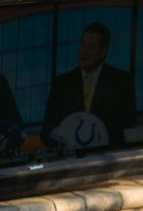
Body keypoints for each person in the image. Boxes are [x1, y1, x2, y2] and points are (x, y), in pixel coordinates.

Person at [41, 21, 136, 149]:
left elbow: (128, 127)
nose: (83, 51)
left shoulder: (121, 82)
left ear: (103, 51)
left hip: (107, 158)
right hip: (69, 159)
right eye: (82, 45)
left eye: (90, 47)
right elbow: (47, 131)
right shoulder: (62, 84)